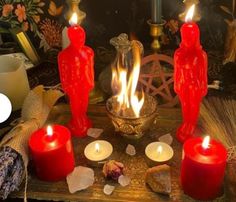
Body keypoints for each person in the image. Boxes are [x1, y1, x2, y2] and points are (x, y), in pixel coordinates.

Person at [174, 22, 207, 143]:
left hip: (195, 85)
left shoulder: (200, 55)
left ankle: (192, 125)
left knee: (193, 105)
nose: (188, 39)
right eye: (185, 36)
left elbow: (203, 74)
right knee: (185, 105)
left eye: (191, 36)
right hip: (183, 84)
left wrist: (203, 87)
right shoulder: (178, 54)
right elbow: (177, 71)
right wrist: (176, 84)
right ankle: (186, 123)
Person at [58, 25, 94, 137]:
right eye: (77, 36)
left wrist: (91, 81)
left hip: (85, 82)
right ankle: (77, 120)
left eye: (82, 35)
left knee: (84, 101)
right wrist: (65, 85)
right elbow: (63, 73)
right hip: (73, 85)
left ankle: (82, 116)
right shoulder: (64, 55)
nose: (81, 38)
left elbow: (91, 68)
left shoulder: (89, 51)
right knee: (75, 103)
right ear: (70, 37)